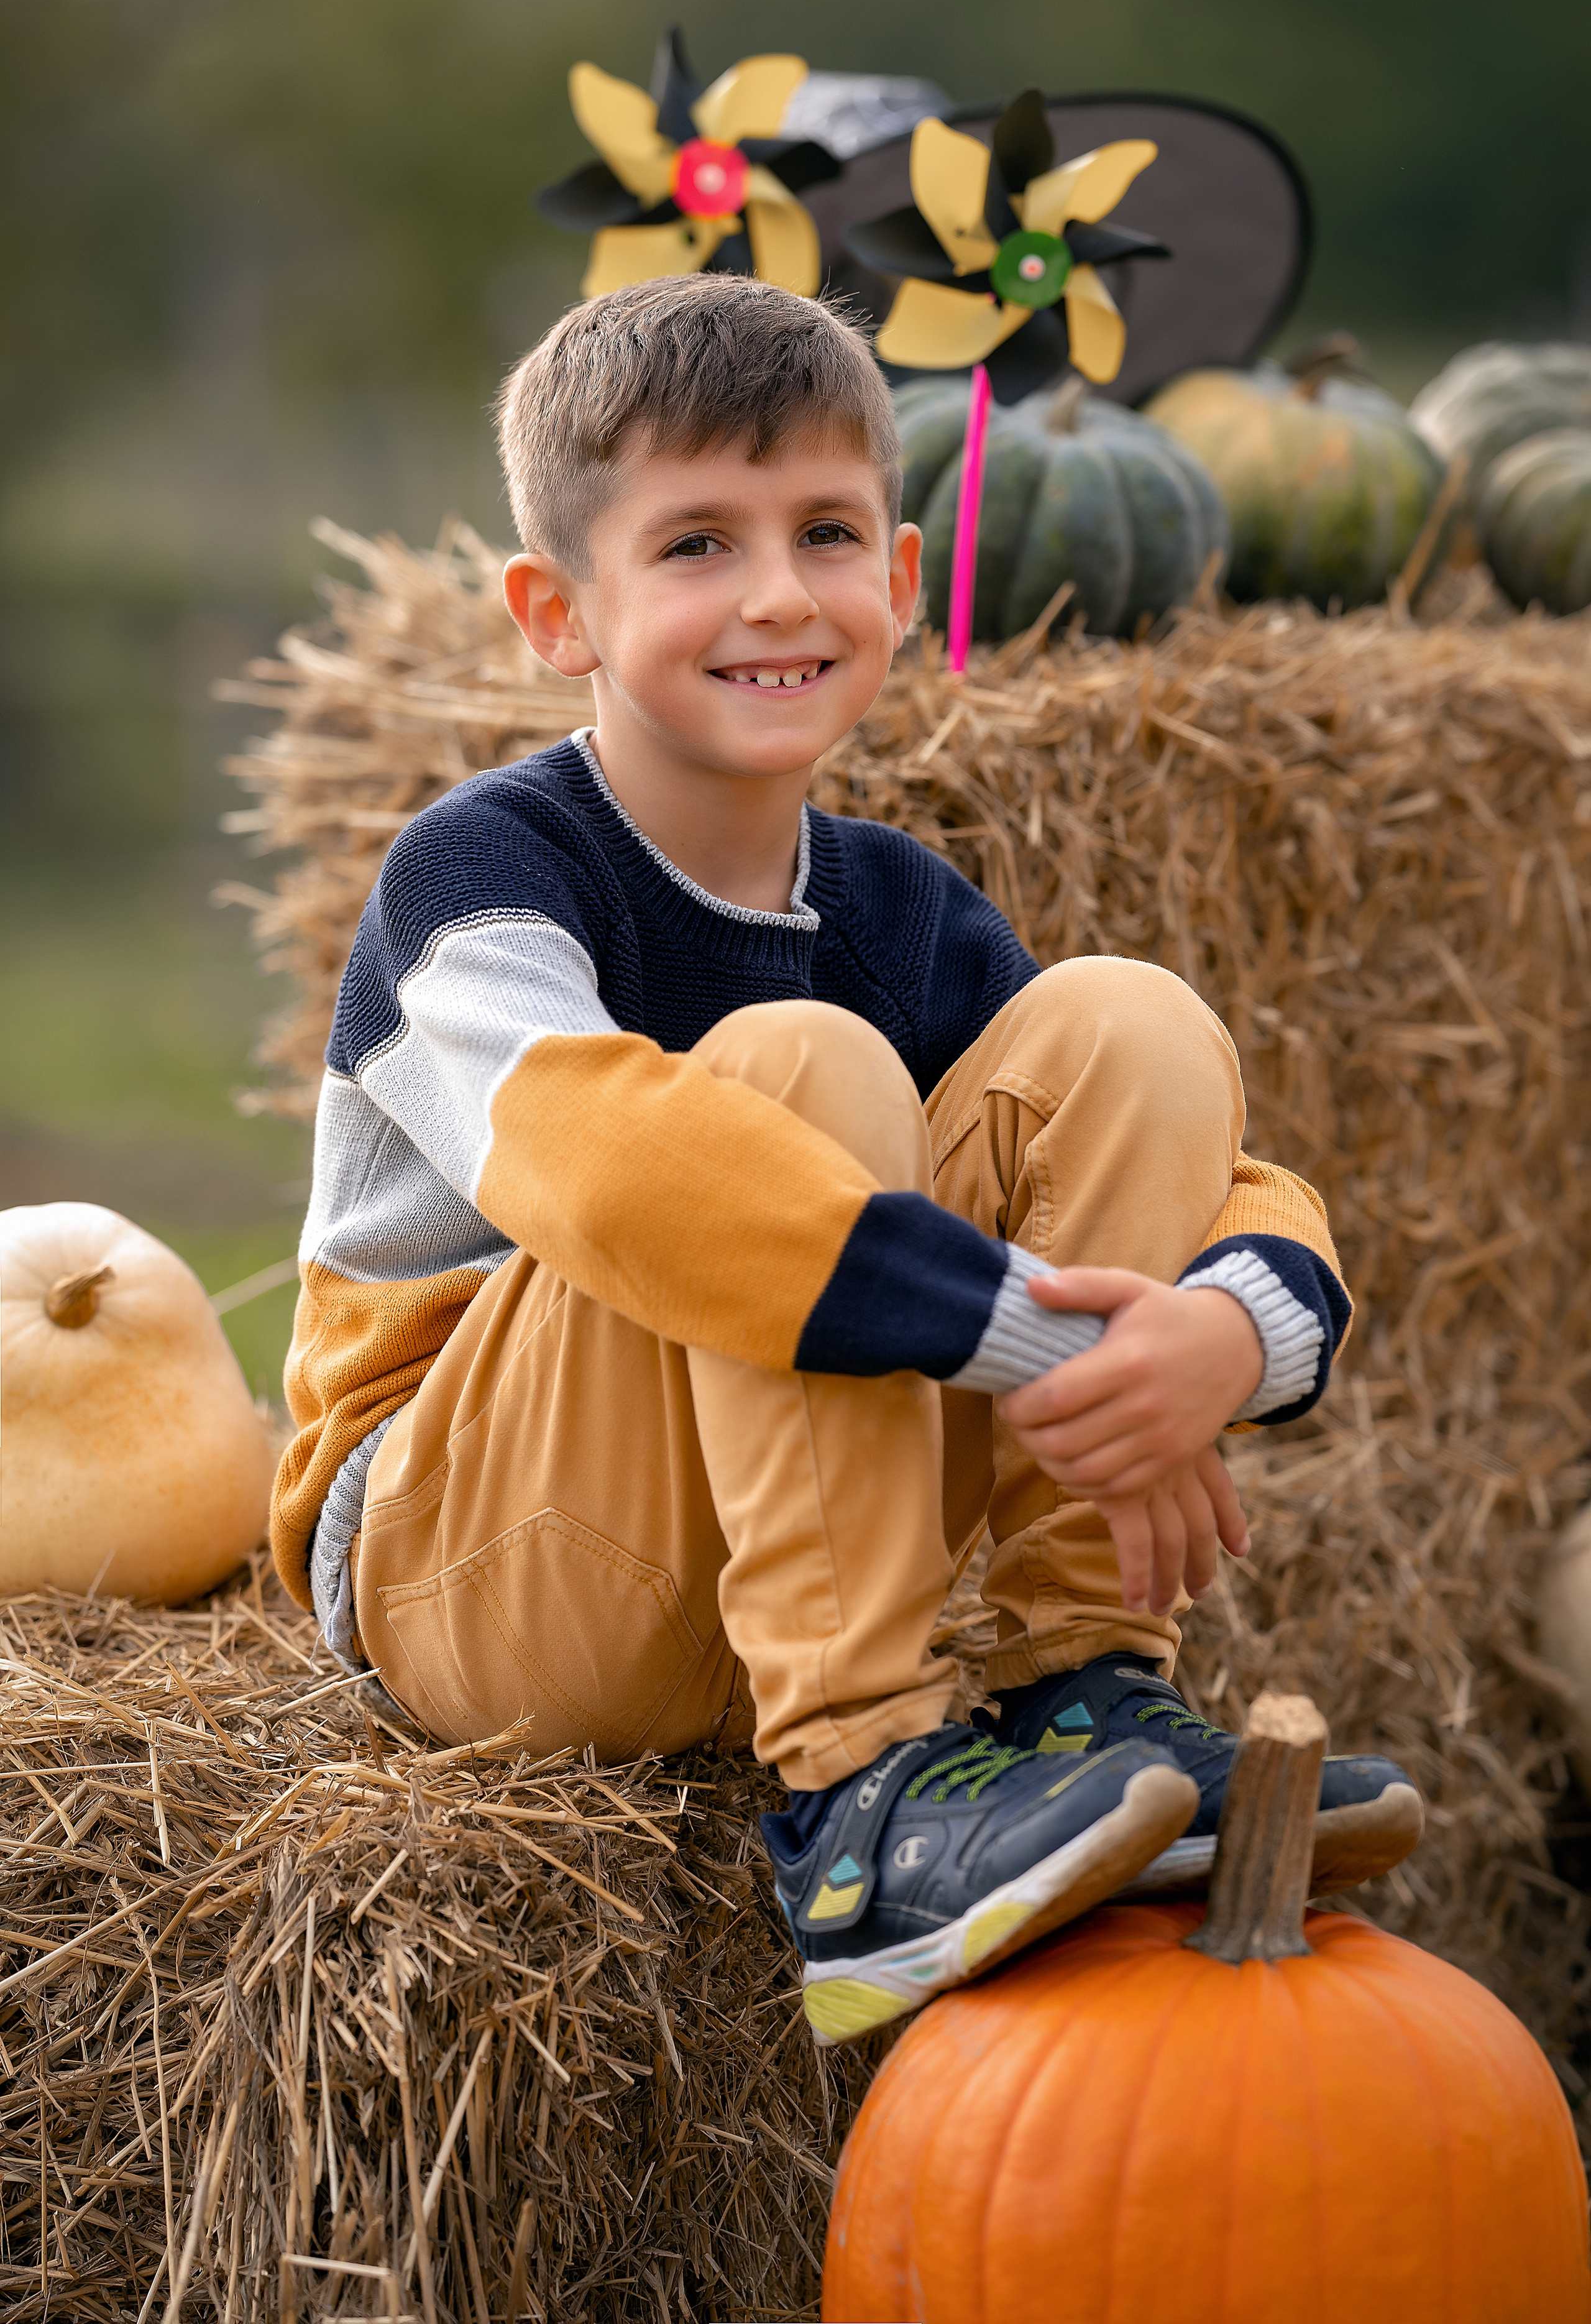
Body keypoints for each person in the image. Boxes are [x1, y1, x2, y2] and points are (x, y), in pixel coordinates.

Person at [272, 275, 1421, 2045]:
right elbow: (620, 1172)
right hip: (489, 1572)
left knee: (1127, 1023)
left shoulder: (896, 906)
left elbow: (1224, 1180)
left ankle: (1074, 1690)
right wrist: (1046, 1341)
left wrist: (1223, 1337)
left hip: (754, 1551)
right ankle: (864, 1789)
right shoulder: (480, 880)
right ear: (559, 614)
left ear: (899, 576)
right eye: (697, 546)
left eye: (823, 533)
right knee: (791, 1071)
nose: (778, 595)